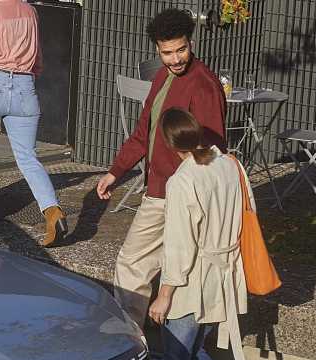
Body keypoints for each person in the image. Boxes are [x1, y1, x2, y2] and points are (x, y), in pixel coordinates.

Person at [96, 8, 227, 325]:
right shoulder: (162, 77)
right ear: (157, 49)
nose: (175, 58)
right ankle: (142, 338)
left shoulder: (204, 85)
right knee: (152, 263)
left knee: (133, 262)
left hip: (176, 194)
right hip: (160, 189)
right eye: (167, 52)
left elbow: (214, 150)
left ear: (190, 43)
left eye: (181, 49)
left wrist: (192, 193)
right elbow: (144, 132)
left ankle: (129, 340)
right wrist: (116, 171)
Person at [147, 108, 257, 360]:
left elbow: (180, 247)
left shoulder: (182, 182)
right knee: (193, 353)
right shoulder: (229, 165)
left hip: (192, 281)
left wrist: (164, 296)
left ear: (168, 143)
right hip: (222, 274)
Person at [0, 0, 66, 247]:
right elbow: (38, 58)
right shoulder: (31, 12)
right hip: (26, 87)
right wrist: (27, 80)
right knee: (27, 156)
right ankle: (52, 211)